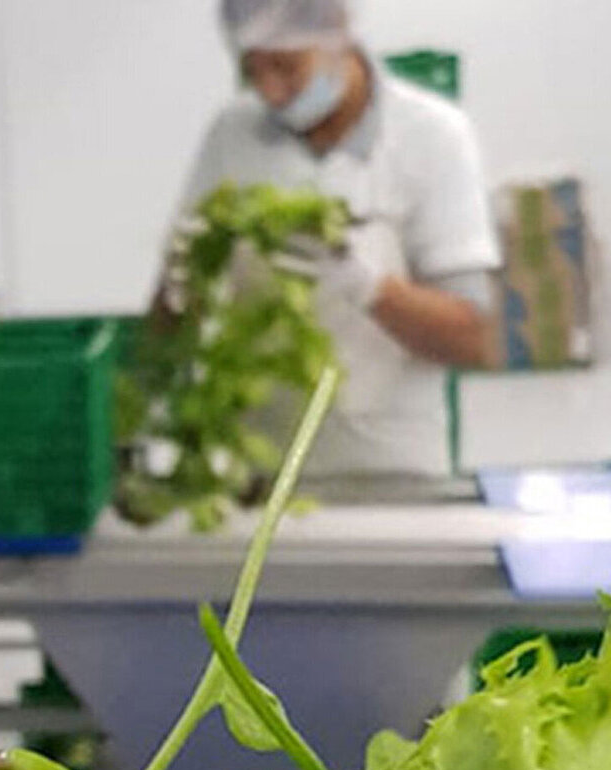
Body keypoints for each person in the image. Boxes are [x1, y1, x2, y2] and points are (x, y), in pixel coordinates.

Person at [156, 0, 502, 477]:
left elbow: (473, 340)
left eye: (286, 67)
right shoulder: (231, 135)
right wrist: (179, 286)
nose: (270, 91)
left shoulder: (433, 138)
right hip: (259, 473)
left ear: (338, 36)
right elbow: (169, 324)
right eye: (253, 70)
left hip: (391, 474)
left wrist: (369, 286)